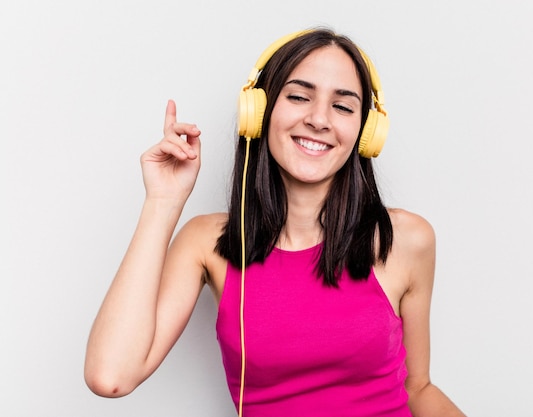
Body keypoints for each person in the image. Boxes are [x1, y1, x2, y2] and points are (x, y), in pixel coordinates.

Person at [84, 28, 466, 417]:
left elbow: (417, 388)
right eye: (299, 96)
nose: (319, 119)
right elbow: (110, 376)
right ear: (259, 112)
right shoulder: (207, 242)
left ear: (367, 133)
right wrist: (162, 202)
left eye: (343, 107)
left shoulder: (405, 239)